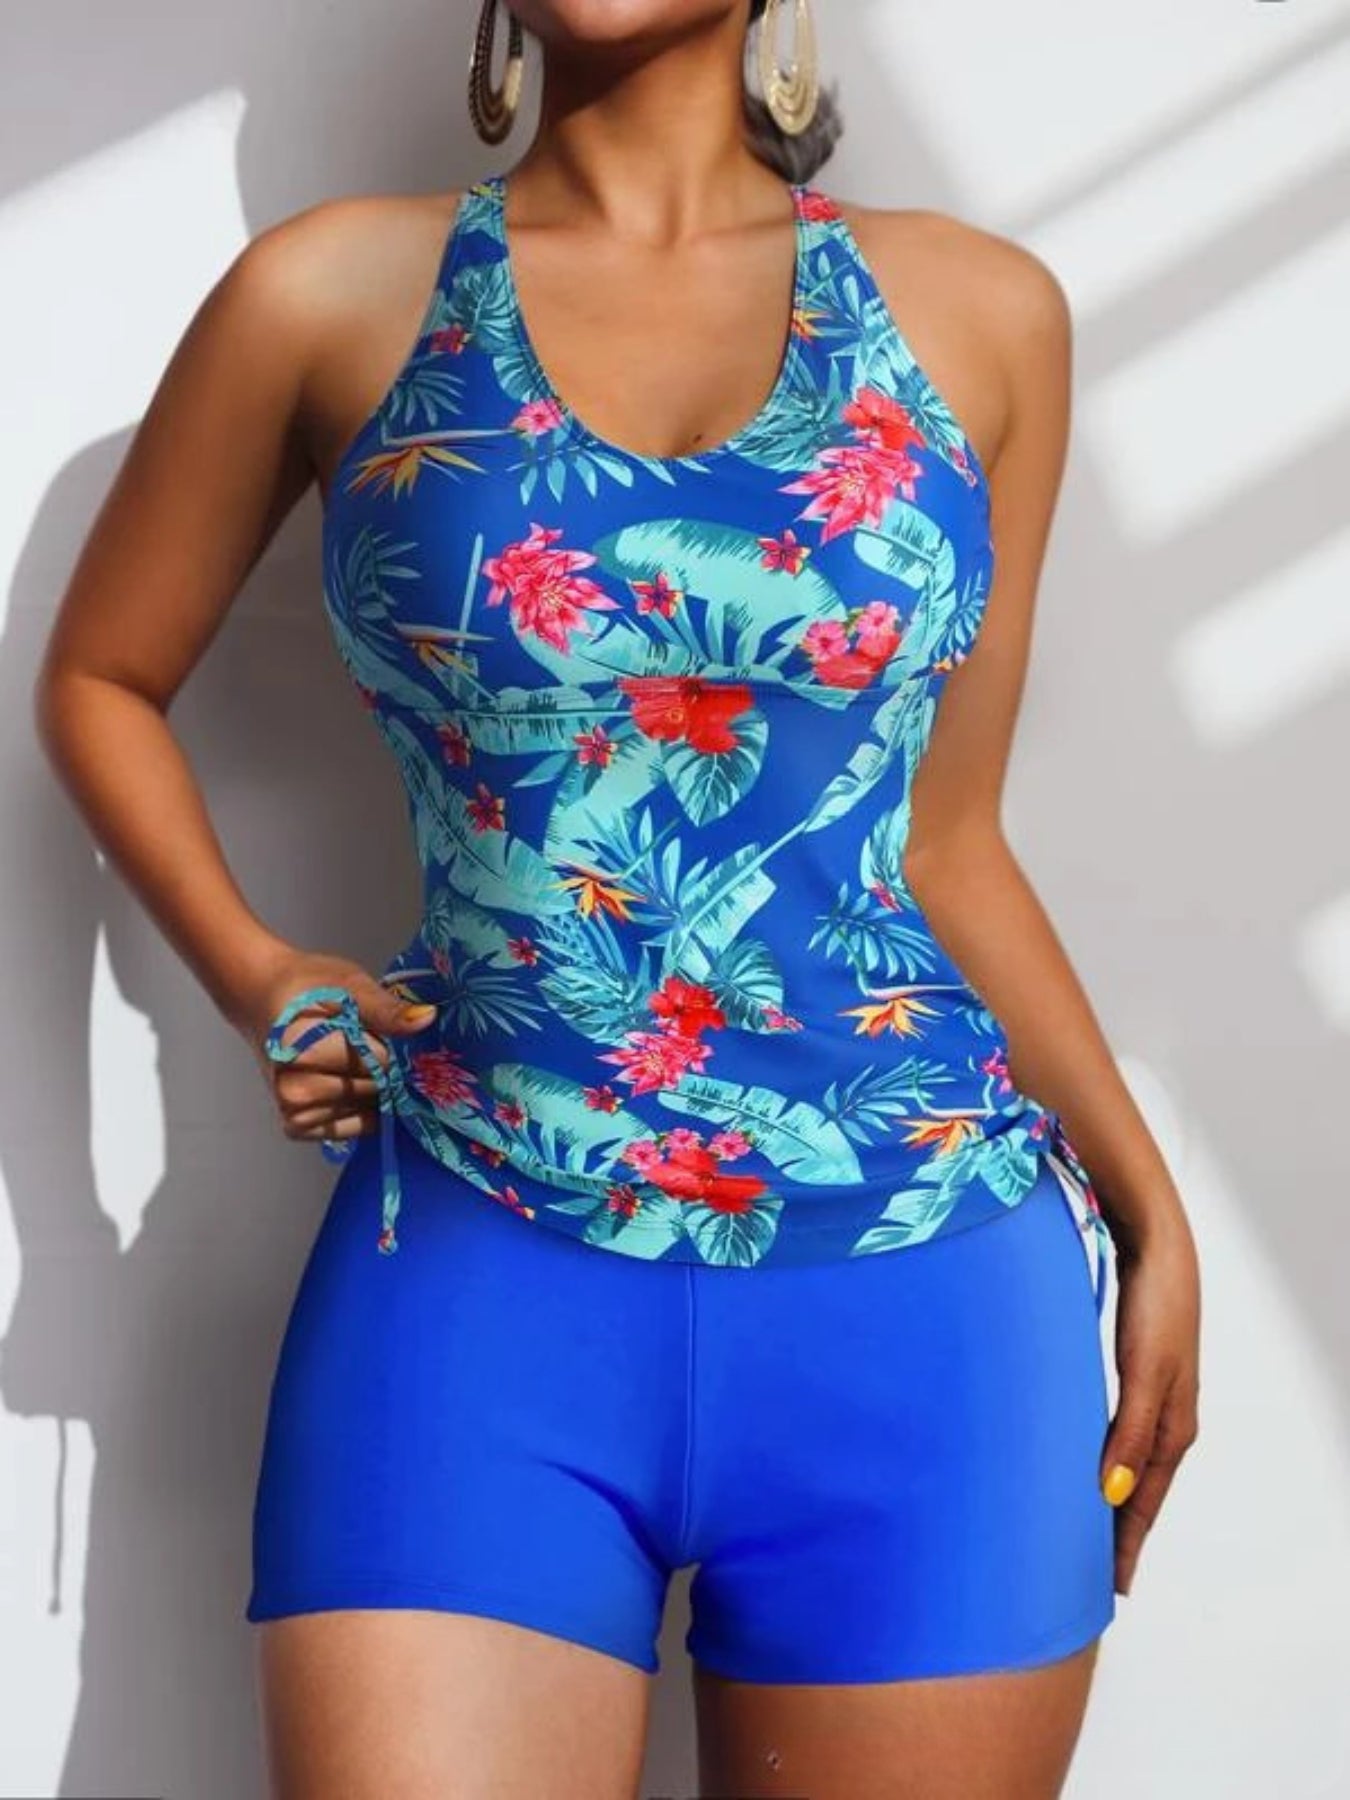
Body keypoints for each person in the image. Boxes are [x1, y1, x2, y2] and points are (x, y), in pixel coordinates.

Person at [34, 0, 1202, 1793]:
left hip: (925, 1301)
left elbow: (946, 841)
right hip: (472, 1286)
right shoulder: (329, 297)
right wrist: (257, 973)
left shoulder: (980, 316)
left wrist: (1147, 1204)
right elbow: (99, 676)